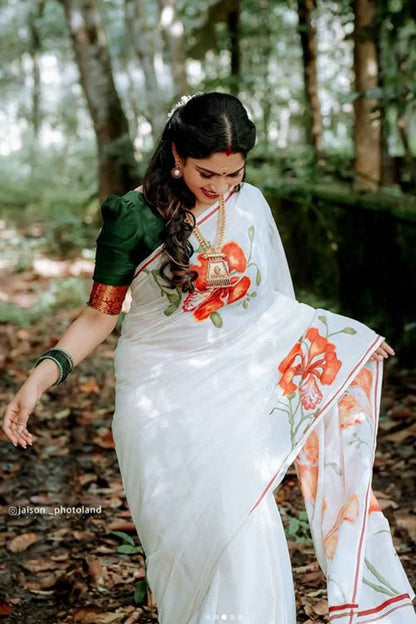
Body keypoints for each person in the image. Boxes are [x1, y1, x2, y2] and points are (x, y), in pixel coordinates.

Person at [3, 92, 415, 624]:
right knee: (187, 545)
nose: (221, 189)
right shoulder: (131, 217)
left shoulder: (252, 205)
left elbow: (275, 309)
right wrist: (39, 378)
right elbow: (99, 316)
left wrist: (342, 343)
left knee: (245, 530)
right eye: (207, 175)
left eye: (233, 175)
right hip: (158, 398)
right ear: (176, 153)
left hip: (235, 395)